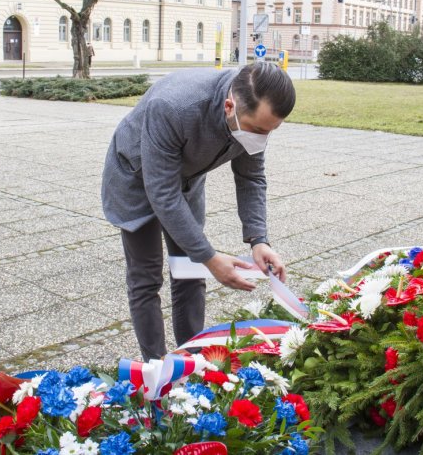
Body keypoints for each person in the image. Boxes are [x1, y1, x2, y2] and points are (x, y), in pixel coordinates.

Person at [101, 63, 295, 361]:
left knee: (190, 274)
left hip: (185, 180)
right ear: (229, 106)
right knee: (146, 277)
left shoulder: (252, 116)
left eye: (270, 131)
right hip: (135, 177)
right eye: (258, 130)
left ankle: (192, 361)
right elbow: (162, 194)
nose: (261, 138)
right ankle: (157, 369)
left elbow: (251, 177)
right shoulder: (173, 106)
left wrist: (259, 239)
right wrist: (209, 257)